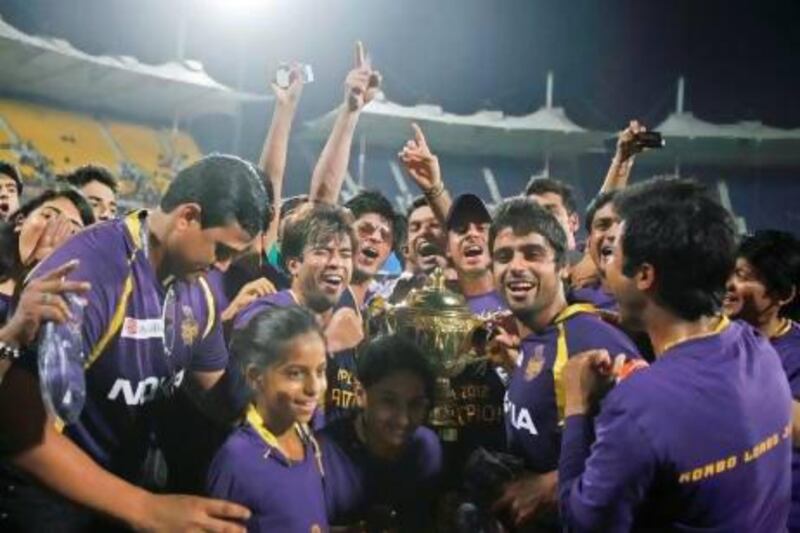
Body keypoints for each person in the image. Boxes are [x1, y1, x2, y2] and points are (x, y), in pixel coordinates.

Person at [0, 154, 266, 532]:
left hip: (120, 493)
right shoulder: (87, 276)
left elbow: (220, 394)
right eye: (221, 250)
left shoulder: (198, 293)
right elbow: (20, 431)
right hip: (49, 501)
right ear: (187, 217)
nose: (223, 266)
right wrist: (146, 508)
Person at [559, 178, 791, 530]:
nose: (605, 269)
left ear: (645, 275)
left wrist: (578, 406)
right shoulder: (758, 349)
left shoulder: (638, 406)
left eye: (613, 256)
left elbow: (582, 522)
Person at [486, 197, 639, 529]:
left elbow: (651, 444)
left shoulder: (593, 339)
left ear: (563, 266)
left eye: (532, 253)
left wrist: (550, 486)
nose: (515, 266)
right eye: (503, 256)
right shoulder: (535, 334)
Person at [207, 306, 328, 532]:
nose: (314, 388)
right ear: (255, 377)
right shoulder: (237, 460)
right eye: (295, 373)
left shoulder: (307, 437)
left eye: (320, 371)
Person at [234, 203, 359, 423]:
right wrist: (327, 344)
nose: (336, 263)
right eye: (322, 252)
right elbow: (243, 398)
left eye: (345, 254)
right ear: (294, 265)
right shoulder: (263, 314)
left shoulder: (349, 323)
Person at [320, 334, 442, 531]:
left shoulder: (427, 448)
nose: (403, 419)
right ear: (360, 395)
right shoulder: (323, 458)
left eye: (415, 404)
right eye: (388, 401)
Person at [723, 229, 800, 530]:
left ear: (784, 295)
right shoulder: (717, 338)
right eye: (729, 272)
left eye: (744, 276)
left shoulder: (794, 353)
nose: (729, 284)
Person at [0, 186, 95, 324]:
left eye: (73, 230)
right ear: (20, 221)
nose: (55, 230)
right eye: (48, 216)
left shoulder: (75, 315)